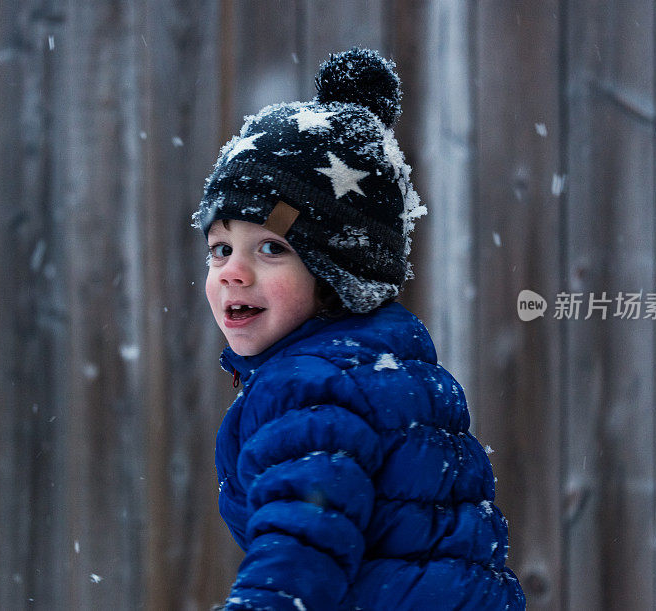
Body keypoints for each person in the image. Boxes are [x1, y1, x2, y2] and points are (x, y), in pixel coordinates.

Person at [193, 47, 525, 611]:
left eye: (271, 248)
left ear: (337, 274)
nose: (233, 272)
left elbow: (302, 545)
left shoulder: (312, 388)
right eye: (220, 248)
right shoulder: (390, 369)